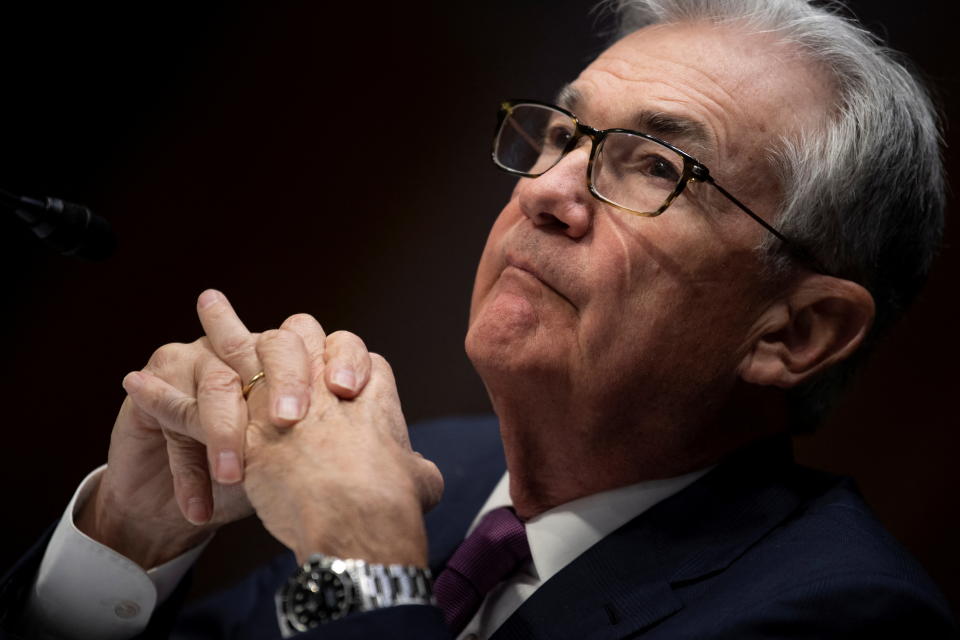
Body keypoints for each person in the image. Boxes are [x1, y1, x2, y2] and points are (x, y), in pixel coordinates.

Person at [1, 0, 956, 637]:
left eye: (658, 168)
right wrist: (130, 539)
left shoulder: (842, 612)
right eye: (564, 135)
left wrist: (359, 566)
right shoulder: (439, 470)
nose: (548, 189)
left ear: (795, 333)